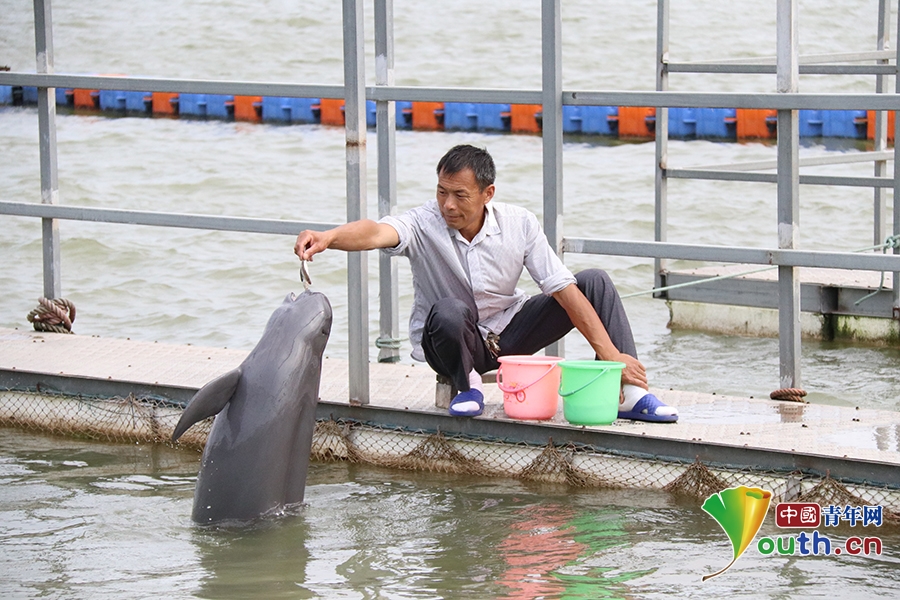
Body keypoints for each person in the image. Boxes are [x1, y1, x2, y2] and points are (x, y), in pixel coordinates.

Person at [294, 144, 678, 422]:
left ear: (487, 194)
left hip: (507, 335)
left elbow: (560, 287)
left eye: (460, 195)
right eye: (442, 192)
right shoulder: (423, 222)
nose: (448, 205)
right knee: (447, 309)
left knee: (593, 282)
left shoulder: (519, 222)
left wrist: (611, 354)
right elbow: (376, 231)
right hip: (449, 340)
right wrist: (330, 237)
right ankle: (467, 388)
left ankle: (630, 393)